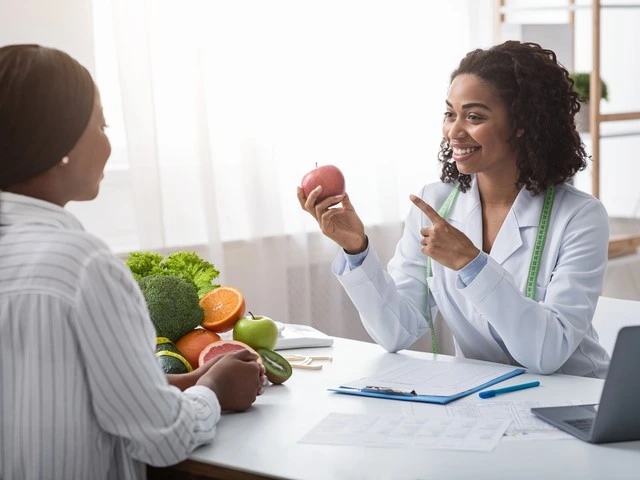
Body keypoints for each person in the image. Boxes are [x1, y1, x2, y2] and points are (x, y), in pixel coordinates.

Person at [0, 44, 266, 479]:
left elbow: (62, 393)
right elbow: (163, 439)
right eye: (100, 124)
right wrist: (215, 390)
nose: (107, 141)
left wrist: (182, 382)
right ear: (58, 141)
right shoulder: (84, 267)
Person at [298, 40, 610, 379]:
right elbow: (397, 330)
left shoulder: (580, 217)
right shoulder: (434, 204)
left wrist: (471, 264)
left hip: (575, 397)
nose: (454, 132)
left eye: (474, 116)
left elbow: (549, 352)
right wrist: (355, 248)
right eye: (450, 114)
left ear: (521, 123)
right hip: (487, 397)